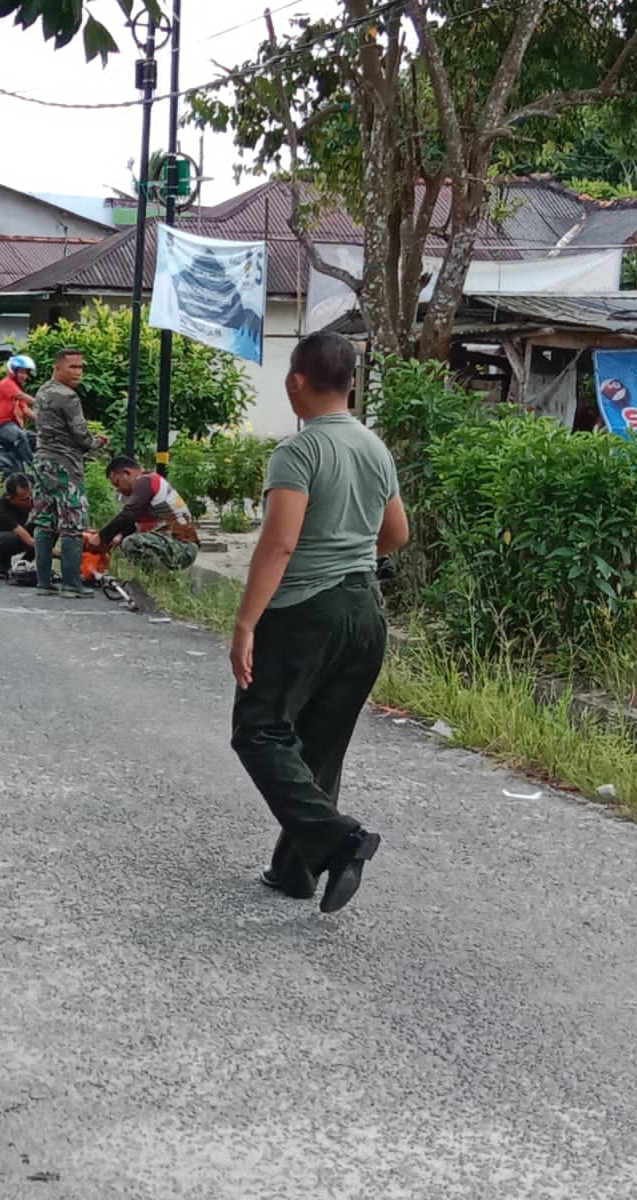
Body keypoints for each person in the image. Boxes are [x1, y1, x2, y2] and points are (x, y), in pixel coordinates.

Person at [228, 331, 409, 914]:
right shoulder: (374, 448)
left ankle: (338, 841)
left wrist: (245, 623)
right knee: (321, 743)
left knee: (259, 730)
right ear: (352, 382)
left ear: (295, 381)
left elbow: (279, 544)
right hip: (365, 612)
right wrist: (349, 558)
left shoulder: (299, 452)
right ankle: (297, 871)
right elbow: (396, 535)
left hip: (307, 609)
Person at [31, 347, 107, 597]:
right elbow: (81, 436)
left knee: (44, 521)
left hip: (43, 463)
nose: (78, 372)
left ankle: (43, 581)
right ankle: (71, 584)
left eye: (81, 367)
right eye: (73, 367)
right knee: (72, 524)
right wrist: (97, 442)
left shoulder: (43, 391)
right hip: (66, 466)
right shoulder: (68, 397)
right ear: (58, 367)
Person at [88, 455, 199, 574]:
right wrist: (119, 535)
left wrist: (100, 537)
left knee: (132, 543)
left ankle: (164, 581)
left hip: (183, 546)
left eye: (117, 483)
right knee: (117, 545)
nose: (118, 489)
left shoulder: (145, 481)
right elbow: (132, 520)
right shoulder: (145, 485)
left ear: (127, 473)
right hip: (172, 543)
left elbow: (128, 514)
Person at [0, 354, 37, 467]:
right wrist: (42, 402)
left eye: (26, 372)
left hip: (12, 425)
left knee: (36, 438)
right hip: (0, 425)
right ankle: (35, 467)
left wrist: (43, 420)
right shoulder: (7, 384)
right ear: (13, 371)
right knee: (20, 436)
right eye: (21, 372)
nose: (24, 376)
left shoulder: (16, 386)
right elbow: (22, 396)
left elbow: (25, 410)